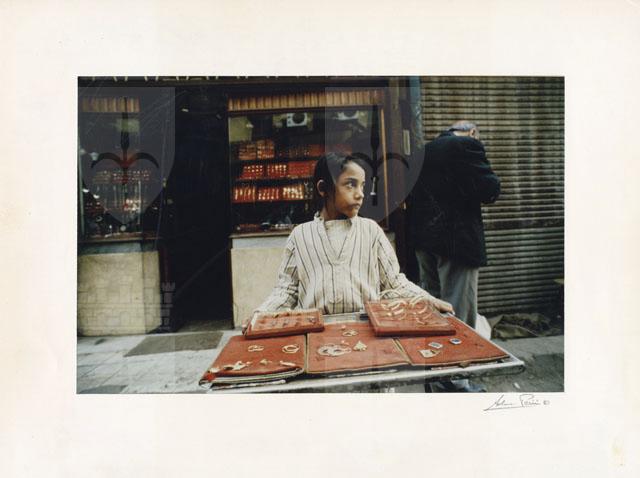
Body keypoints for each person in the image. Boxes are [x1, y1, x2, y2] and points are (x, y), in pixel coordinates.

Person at [248, 152, 453, 323]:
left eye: (362, 186)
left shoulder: (371, 231)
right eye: (350, 185)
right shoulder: (300, 236)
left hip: (369, 329)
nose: (360, 194)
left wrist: (428, 300)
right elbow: (287, 290)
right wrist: (260, 315)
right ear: (323, 189)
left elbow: (394, 283)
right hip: (316, 330)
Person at [409, 120, 500, 393]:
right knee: (459, 313)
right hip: (457, 244)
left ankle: (436, 377)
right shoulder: (467, 145)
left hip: (425, 242)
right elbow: (490, 190)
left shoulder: (423, 151)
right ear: (472, 132)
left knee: (434, 312)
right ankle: (457, 382)